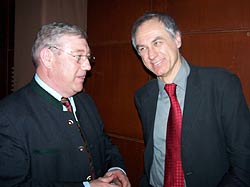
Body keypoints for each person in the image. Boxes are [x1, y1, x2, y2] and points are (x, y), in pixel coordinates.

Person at [0, 22, 131, 187]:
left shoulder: (86, 102)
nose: (88, 66)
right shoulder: (8, 116)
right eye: (78, 56)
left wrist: (116, 168)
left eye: (88, 57)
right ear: (48, 58)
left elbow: (104, 145)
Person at [131, 12, 250, 187]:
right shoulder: (143, 97)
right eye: (142, 48)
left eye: (157, 42)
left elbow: (244, 160)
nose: (151, 55)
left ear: (177, 39)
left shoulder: (222, 85)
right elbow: (155, 153)